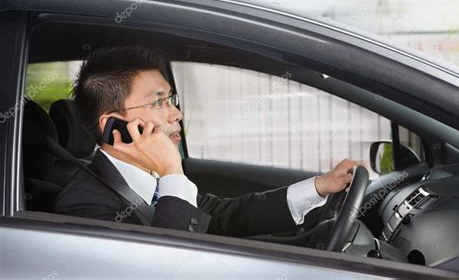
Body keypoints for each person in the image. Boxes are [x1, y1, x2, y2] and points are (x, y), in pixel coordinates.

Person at [53, 45, 358, 236]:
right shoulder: (83, 208)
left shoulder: (149, 179)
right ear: (115, 126)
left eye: (172, 99)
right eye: (159, 103)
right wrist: (172, 172)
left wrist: (320, 186)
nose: (177, 114)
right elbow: (166, 268)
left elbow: (223, 217)